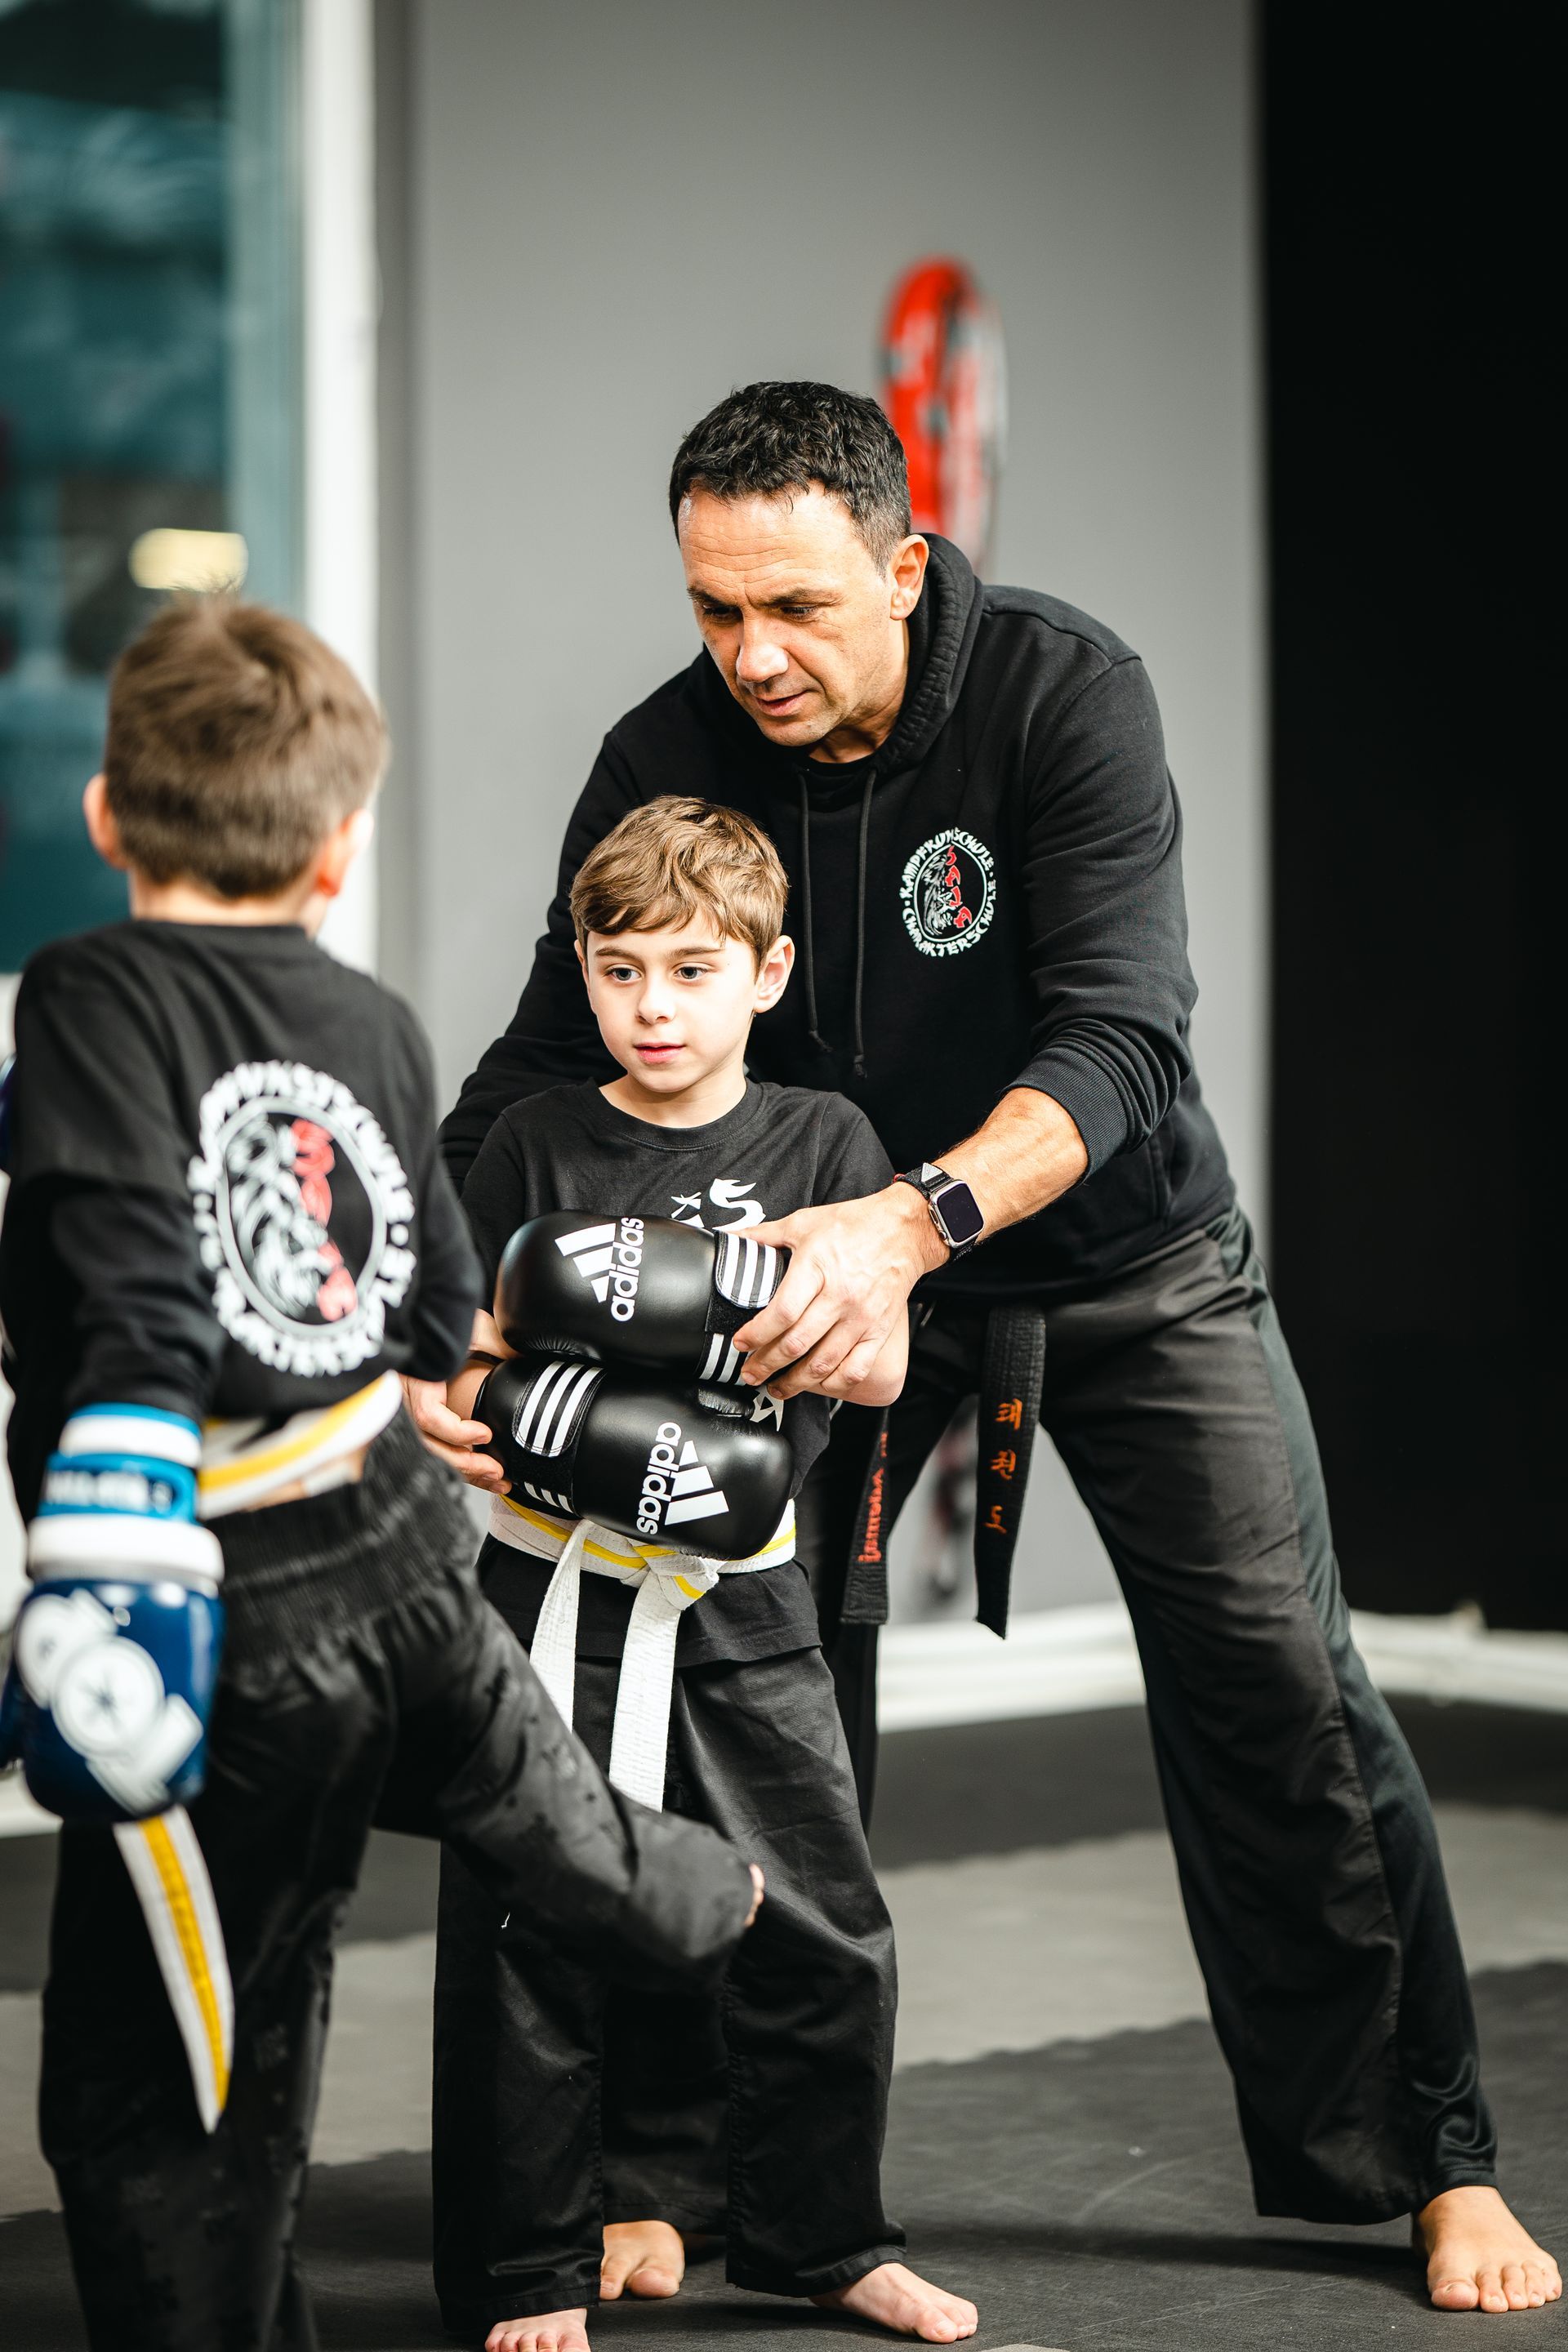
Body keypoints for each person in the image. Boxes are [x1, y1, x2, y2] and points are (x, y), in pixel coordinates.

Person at [419, 381, 1561, 2318]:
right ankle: (684, 2173)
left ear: (904, 564)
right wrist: (449, 1304)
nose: (751, 654)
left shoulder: (1061, 697)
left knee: (1283, 1682)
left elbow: (1126, 1037)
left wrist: (913, 1220)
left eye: (795, 605)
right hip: (812, 1281)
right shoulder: (663, 751)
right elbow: (542, 1059)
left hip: (1125, 1264)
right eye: (715, 608)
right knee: (737, 1696)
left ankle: (1432, 2160)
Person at [0, 600, 759, 2352]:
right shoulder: (376, 1017)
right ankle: (656, 1873)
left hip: (219, 1595)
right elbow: (432, 1307)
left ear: (108, 818)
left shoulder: (92, 991)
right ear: (341, 850)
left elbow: (126, 1270)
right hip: (402, 1553)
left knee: (175, 2071)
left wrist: (113, 1541)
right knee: (479, 1739)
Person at [430, 796, 977, 2351]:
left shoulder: (827, 1144)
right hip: (545, 1601)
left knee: (820, 1916)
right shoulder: (540, 1139)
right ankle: (530, 2267)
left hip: (745, 1602)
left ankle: (829, 2238)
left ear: (767, 969)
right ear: (585, 977)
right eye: (618, 971)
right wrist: (527, 1415)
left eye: (688, 968)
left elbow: (875, 1384)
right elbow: (464, 1364)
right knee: (534, 1918)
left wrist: (723, 1330)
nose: (652, 1005)